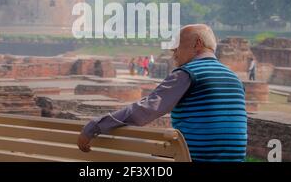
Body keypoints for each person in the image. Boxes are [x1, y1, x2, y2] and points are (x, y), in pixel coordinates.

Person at [77, 24, 247, 162]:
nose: (174, 56)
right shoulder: (235, 78)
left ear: (198, 44)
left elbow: (146, 109)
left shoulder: (188, 73)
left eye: (176, 49)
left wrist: (97, 125)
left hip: (194, 158)